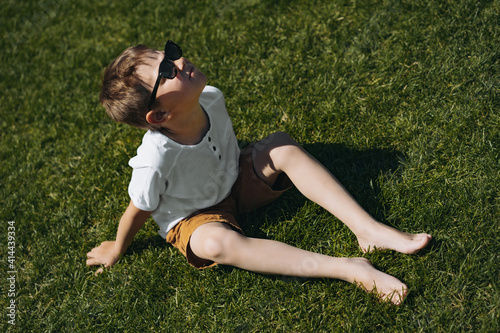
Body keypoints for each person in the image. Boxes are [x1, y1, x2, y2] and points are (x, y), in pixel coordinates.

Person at [86, 40, 432, 305]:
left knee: (281, 145)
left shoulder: (211, 97)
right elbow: (139, 207)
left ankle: (367, 229)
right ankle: (348, 268)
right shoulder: (154, 160)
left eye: (172, 53)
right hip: (195, 216)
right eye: (168, 72)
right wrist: (117, 248)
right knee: (213, 243)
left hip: (234, 179)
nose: (180, 61)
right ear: (159, 116)